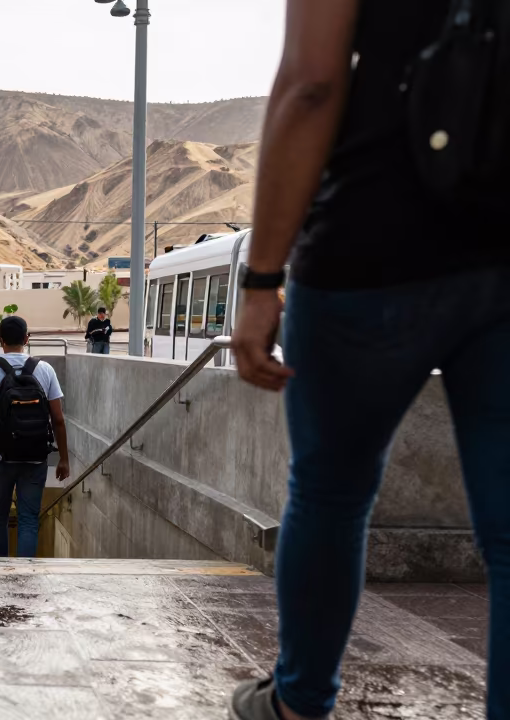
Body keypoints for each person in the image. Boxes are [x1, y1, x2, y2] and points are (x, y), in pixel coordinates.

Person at [229, 2, 509, 719]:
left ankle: (299, 702)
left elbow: (313, 81)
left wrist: (263, 281)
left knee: (330, 494)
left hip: (372, 244)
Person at [0, 317, 70, 557]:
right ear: (27, 339)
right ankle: (25, 575)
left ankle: (0, 571)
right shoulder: (45, 369)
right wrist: (63, 458)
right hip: (35, 457)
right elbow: (58, 419)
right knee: (29, 519)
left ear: (0, 341)